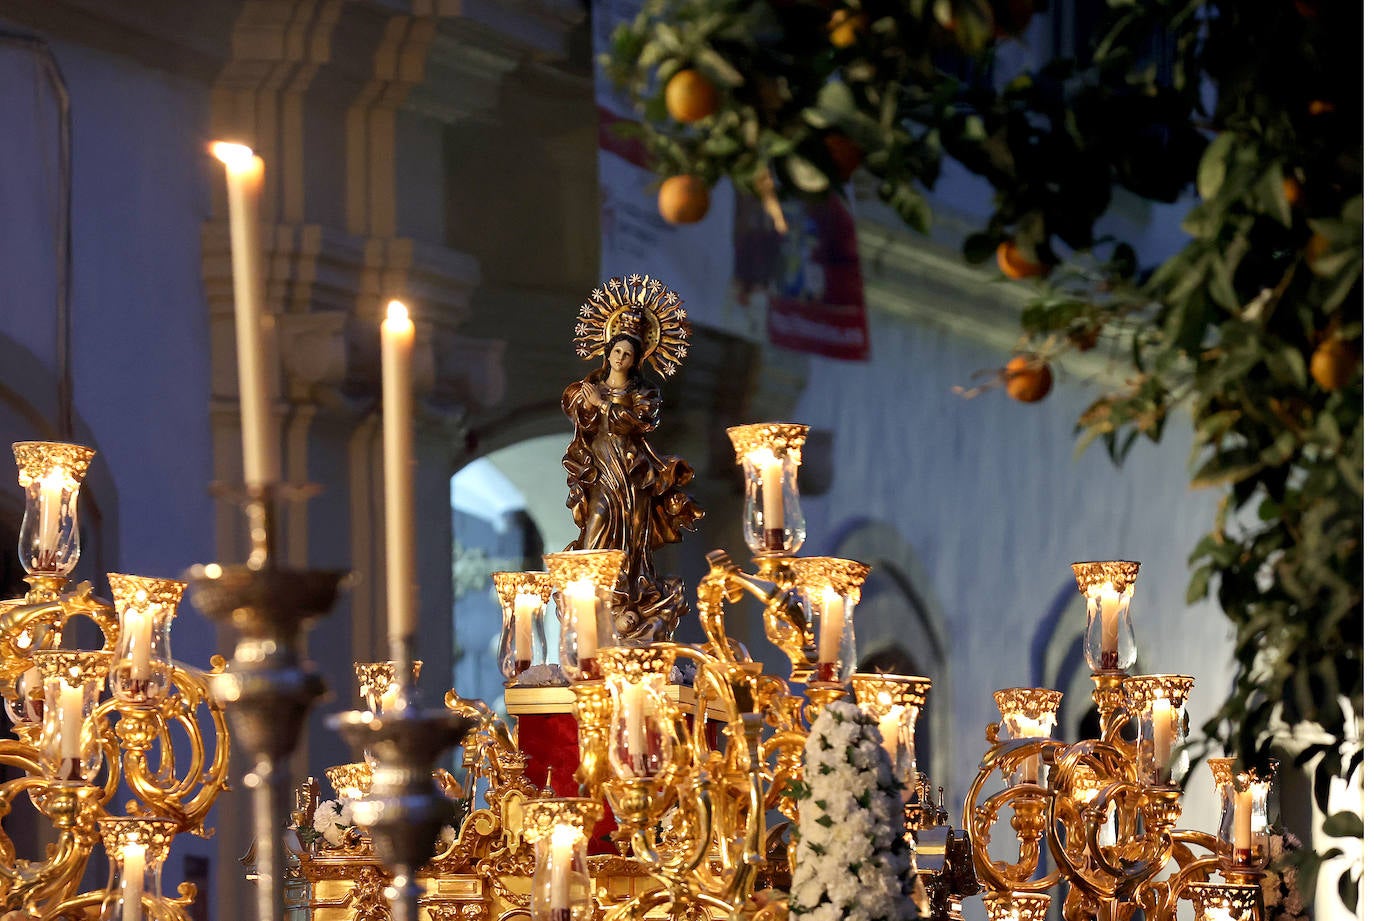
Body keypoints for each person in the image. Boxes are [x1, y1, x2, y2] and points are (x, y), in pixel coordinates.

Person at [562, 312, 702, 642]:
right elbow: (578, 415)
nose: (621, 357)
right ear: (607, 351)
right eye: (617, 351)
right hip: (600, 469)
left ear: (637, 359)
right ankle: (595, 603)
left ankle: (625, 597)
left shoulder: (645, 392)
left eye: (628, 354)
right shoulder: (589, 387)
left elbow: (641, 421)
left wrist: (604, 407)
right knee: (596, 525)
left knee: (630, 534)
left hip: (630, 472)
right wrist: (590, 405)